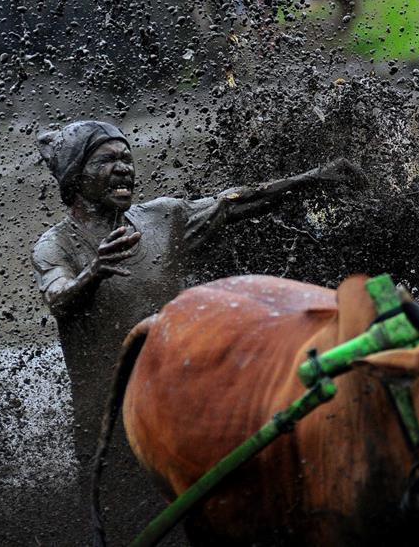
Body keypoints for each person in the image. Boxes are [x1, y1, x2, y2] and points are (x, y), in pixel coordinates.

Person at [32, 120, 361, 543]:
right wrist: (93, 272)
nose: (124, 168)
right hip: (109, 426)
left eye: (127, 158)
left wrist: (313, 178)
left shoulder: (163, 219)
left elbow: (234, 203)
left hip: (183, 407)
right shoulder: (56, 245)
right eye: (107, 160)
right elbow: (57, 296)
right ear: (76, 177)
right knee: (129, 530)